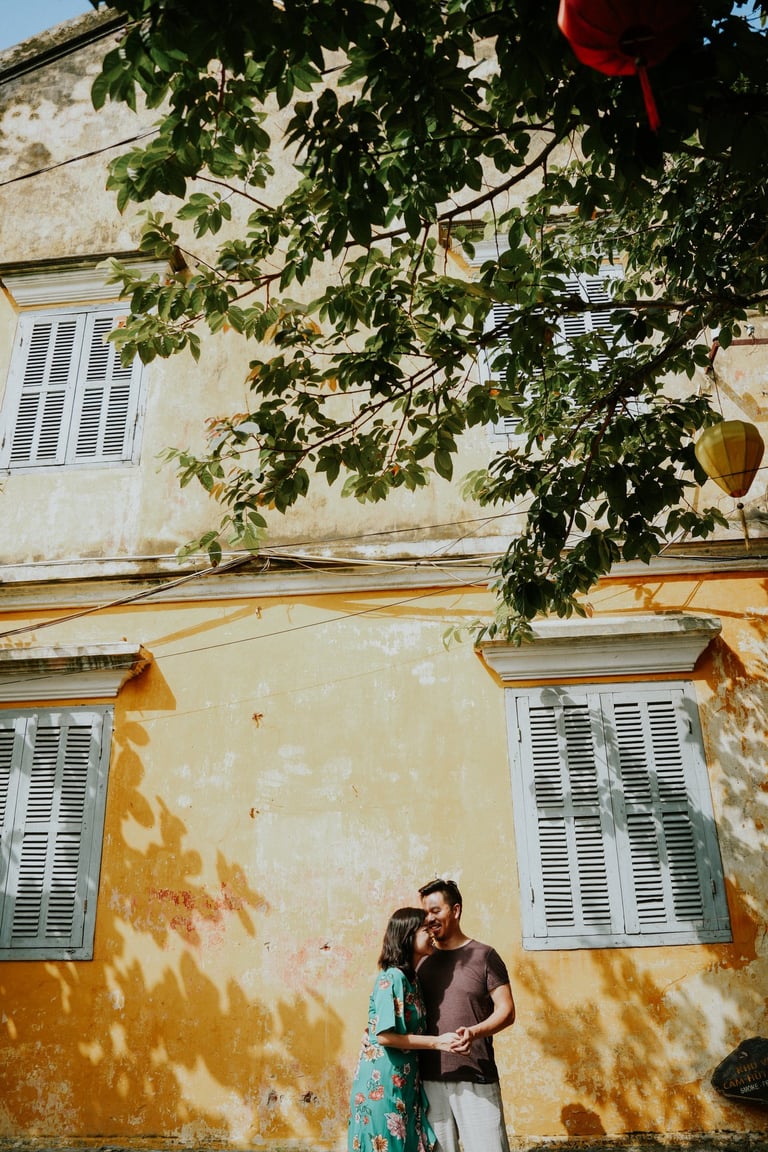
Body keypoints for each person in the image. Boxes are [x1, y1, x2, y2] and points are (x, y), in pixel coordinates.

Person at [348, 907, 463, 1152]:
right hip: (382, 1083)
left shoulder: (412, 980)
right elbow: (384, 1036)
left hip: (404, 1081)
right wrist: (437, 1042)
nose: (432, 934)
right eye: (425, 929)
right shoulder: (391, 977)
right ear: (408, 936)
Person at [417, 878, 516, 1152]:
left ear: (456, 910)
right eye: (425, 913)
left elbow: (507, 1011)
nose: (429, 919)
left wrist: (474, 1032)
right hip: (427, 1079)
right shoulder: (420, 959)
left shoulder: (485, 956)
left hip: (476, 1074)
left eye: (435, 911)